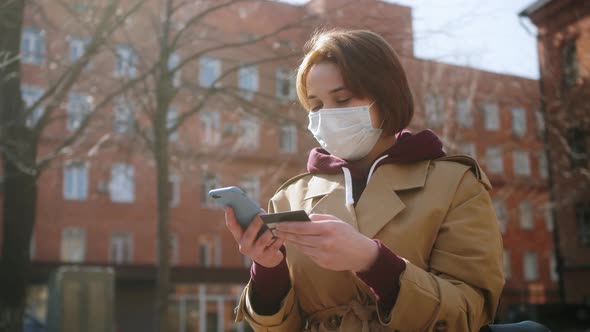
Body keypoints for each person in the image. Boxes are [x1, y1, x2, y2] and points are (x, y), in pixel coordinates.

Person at [225, 29, 505, 332]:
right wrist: (268, 272)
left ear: (385, 96)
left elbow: (469, 314)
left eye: (342, 99)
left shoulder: (455, 184)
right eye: (316, 105)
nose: (327, 115)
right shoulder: (290, 196)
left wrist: (374, 262)